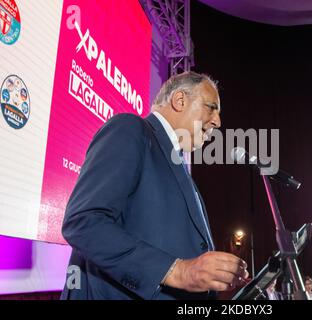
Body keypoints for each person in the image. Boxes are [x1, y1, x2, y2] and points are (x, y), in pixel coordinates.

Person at [60, 72, 249, 300]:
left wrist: (214, 278)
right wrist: (178, 271)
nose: (218, 121)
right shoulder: (130, 129)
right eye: (211, 107)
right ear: (180, 100)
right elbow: (83, 223)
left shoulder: (178, 164)